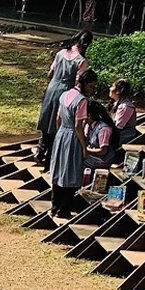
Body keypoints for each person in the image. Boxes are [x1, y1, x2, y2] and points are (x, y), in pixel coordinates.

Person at [36, 31, 92, 163]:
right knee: (58, 124)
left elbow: (50, 73)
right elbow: (78, 83)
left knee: (46, 120)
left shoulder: (60, 53)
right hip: (66, 91)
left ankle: (40, 150)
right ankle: (50, 158)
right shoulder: (81, 61)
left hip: (52, 88)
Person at [49, 68, 98, 218]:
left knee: (58, 171)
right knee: (71, 173)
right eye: (91, 86)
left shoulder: (65, 94)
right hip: (73, 136)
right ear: (85, 83)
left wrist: (60, 135)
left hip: (61, 134)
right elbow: (78, 126)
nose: (91, 90)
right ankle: (63, 210)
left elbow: (58, 118)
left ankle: (54, 207)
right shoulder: (82, 100)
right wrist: (84, 147)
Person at [83, 100, 120, 175]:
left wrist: (87, 151)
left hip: (103, 159)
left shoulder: (103, 128)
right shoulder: (89, 125)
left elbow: (103, 151)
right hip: (93, 155)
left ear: (89, 116)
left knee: (78, 160)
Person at [109, 78, 138, 145]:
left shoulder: (126, 107)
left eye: (112, 86)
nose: (110, 89)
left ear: (118, 91)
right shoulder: (116, 103)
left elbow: (117, 127)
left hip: (124, 137)